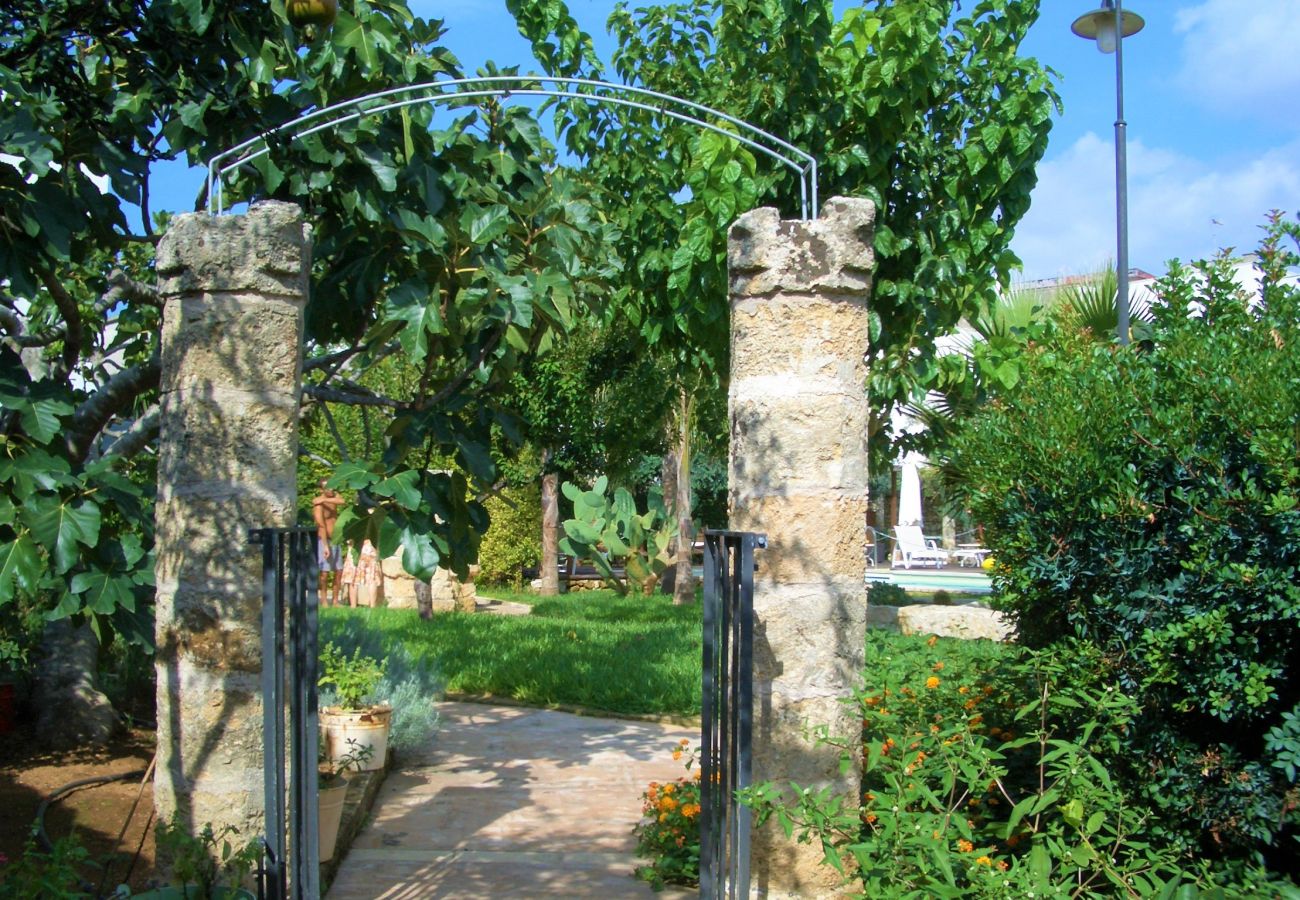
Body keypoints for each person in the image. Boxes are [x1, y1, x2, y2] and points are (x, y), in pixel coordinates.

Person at [312, 479, 346, 606]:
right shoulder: (318, 505)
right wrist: (325, 546)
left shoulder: (331, 499)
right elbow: (321, 526)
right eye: (327, 488)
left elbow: (343, 501)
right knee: (325, 573)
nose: (331, 489)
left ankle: (336, 600)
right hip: (323, 540)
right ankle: (324, 600)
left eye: (332, 487)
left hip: (335, 539)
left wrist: (325, 499)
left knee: (338, 571)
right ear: (322, 490)